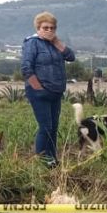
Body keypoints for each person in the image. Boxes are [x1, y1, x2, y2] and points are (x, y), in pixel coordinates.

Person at [21, 11, 75, 166]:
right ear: (38, 28)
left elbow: (71, 57)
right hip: (40, 92)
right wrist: (39, 89)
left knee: (54, 128)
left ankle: (52, 158)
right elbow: (26, 68)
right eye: (45, 27)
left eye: (52, 28)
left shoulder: (55, 44)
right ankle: (42, 159)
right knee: (45, 127)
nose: (49, 30)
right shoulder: (32, 43)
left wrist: (57, 41)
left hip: (56, 91)